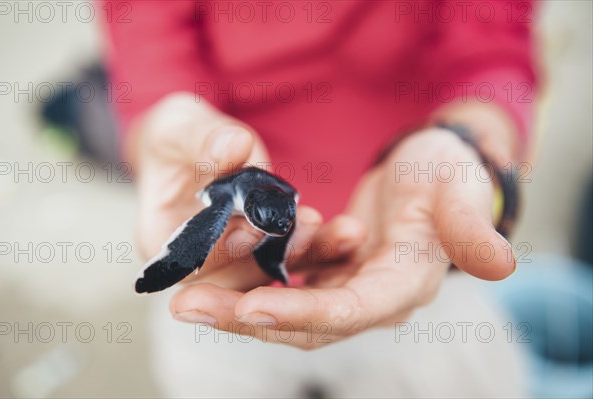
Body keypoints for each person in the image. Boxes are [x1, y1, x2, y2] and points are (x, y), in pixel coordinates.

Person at [103, 1, 538, 391]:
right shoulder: (232, 202)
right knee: (210, 278)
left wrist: (468, 144)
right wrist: (164, 126)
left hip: (414, 242)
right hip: (227, 279)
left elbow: (492, 45)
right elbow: (148, 47)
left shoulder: (284, 208)